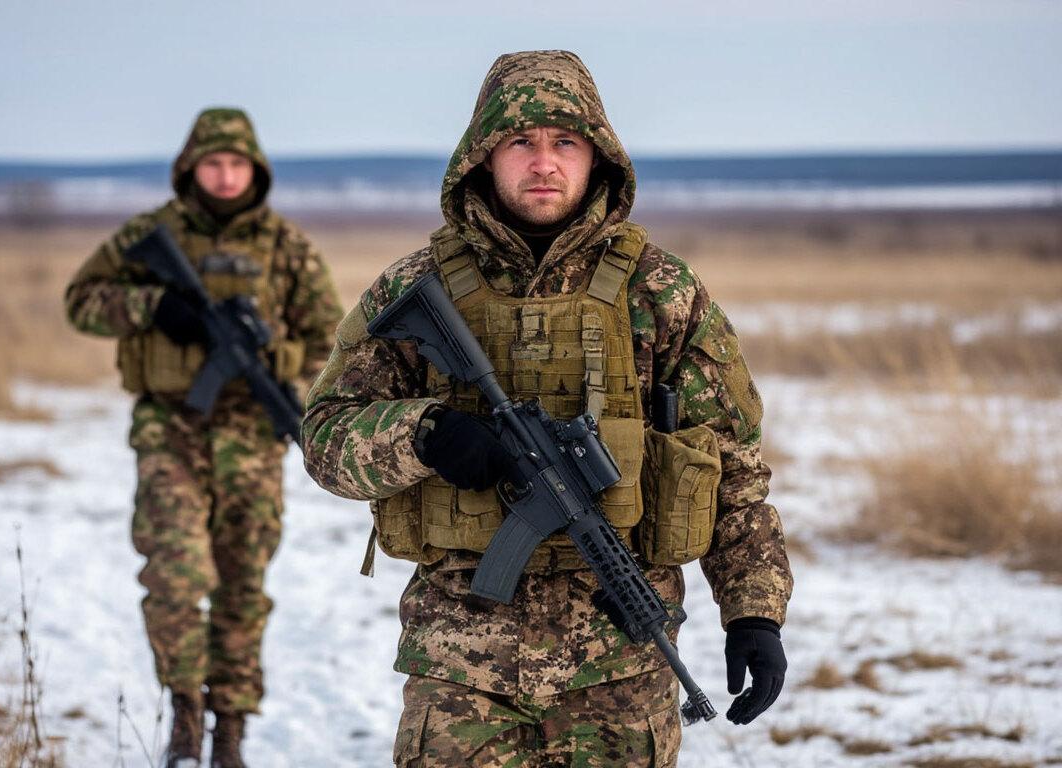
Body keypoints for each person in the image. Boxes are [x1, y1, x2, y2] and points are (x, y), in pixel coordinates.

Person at [301, 51, 793, 766]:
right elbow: (323, 438)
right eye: (520, 142)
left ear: (597, 158)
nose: (544, 163)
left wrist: (753, 611)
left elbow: (732, 468)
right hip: (461, 668)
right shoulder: (417, 287)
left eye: (565, 142)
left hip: (622, 671)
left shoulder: (661, 292)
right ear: (483, 156)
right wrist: (423, 433)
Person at [65, 107, 343, 768]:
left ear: (256, 171)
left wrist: (272, 358)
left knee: (243, 585)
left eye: (236, 164)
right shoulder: (150, 234)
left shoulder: (287, 247)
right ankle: (185, 715)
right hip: (171, 431)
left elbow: (331, 336)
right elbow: (81, 299)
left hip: (251, 435)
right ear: (192, 168)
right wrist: (154, 307)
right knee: (174, 575)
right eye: (213, 164)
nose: (224, 176)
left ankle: (232, 732)